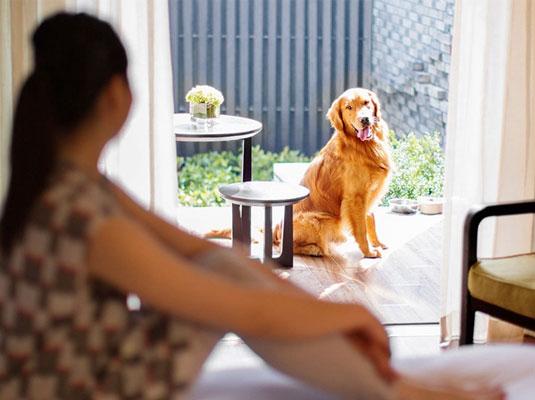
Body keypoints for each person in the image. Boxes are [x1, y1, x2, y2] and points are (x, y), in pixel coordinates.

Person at [0, 12, 503, 400]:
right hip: (90, 387)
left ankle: (395, 390)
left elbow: (201, 253)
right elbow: (233, 306)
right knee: (228, 276)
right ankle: (403, 394)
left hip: (95, 365)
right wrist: (349, 318)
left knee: (225, 263)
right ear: (115, 93)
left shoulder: (73, 186)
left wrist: (319, 311)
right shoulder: (81, 213)